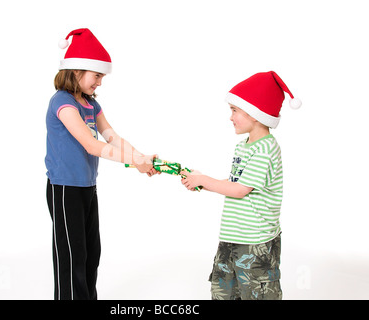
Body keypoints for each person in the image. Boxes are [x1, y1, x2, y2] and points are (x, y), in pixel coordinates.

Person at [45, 28, 158, 300]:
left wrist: (141, 157)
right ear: (76, 71)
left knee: (89, 256)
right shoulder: (62, 101)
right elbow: (92, 144)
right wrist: (134, 162)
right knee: (72, 260)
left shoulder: (92, 105)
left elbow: (112, 137)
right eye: (97, 75)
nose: (100, 82)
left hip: (87, 187)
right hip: (65, 189)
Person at [181, 71, 301, 300]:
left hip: (255, 242)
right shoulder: (243, 146)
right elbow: (235, 183)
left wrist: (204, 180)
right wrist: (200, 182)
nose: (230, 117)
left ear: (255, 113)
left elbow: (240, 190)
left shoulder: (266, 149)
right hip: (233, 236)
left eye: (234, 110)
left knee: (256, 294)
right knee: (224, 291)